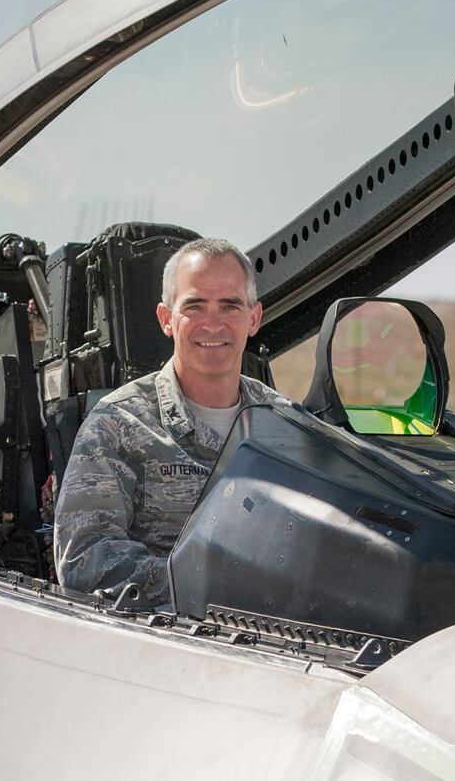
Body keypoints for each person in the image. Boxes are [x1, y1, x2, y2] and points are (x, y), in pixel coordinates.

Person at [52, 237, 294, 608]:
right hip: (165, 644)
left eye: (229, 306)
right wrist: (203, 588)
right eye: (195, 307)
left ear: (254, 318)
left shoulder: (287, 426)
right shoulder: (118, 424)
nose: (212, 325)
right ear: (166, 320)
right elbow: (84, 557)